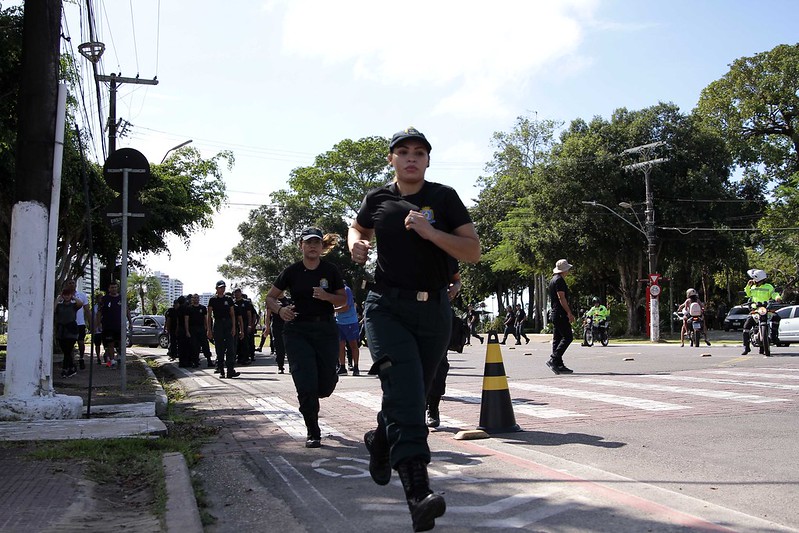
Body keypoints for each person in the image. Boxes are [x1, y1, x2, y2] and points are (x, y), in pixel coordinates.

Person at [349, 126, 480, 532]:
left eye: (419, 152)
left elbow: (472, 252)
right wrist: (358, 242)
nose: (411, 158)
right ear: (391, 158)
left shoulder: (444, 197)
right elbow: (360, 226)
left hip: (435, 310)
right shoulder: (378, 197)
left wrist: (430, 232)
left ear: (427, 160)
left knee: (413, 393)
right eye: (402, 151)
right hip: (386, 306)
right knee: (407, 395)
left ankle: (381, 439)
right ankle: (418, 494)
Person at [265, 227, 346, 449]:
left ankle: (331, 377)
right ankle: (313, 431)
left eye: (316, 242)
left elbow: (343, 302)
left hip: (325, 330)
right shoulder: (291, 271)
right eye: (308, 242)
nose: (312, 246)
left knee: (324, 387)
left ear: (322, 247)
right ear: (301, 245)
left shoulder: (331, 270)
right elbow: (270, 297)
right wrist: (281, 311)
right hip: (297, 331)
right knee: (305, 383)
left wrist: (327, 296)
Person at [426, 270, 462, 429]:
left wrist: (455, 288)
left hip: (439, 314)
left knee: (440, 367)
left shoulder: (444, 249)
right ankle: (417, 409)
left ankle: (432, 408)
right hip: (410, 314)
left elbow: (456, 280)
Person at [741, 269, 782, 355]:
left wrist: (778, 298)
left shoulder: (768, 286)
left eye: (754, 278)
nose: (753, 280)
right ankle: (746, 347)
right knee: (746, 326)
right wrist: (748, 286)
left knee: (776, 317)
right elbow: (747, 294)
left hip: (765, 309)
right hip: (755, 310)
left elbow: (773, 294)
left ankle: (774, 337)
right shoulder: (753, 287)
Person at [207, 280, 240, 379]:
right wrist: (209, 329)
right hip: (218, 324)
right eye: (220, 287)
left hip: (228, 324)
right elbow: (209, 316)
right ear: (216, 288)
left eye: (224, 287)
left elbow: (233, 314)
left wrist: (234, 327)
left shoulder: (228, 299)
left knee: (230, 348)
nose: (222, 289)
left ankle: (230, 371)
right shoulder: (212, 300)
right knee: (219, 349)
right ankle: (221, 370)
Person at [547, 259, 576, 374]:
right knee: (568, 337)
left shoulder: (553, 280)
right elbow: (561, 298)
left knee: (557, 339)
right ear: (564, 270)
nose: (568, 271)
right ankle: (554, 359)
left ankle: (558, 364)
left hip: (555, 312)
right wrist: (569, 312)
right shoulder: (559, 281)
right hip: (560, 313)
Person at [96, 280, 132, 368]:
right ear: (109, 289)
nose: (114, 289)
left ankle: (119, 356)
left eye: (115, 287)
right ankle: (111, 361)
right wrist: (98, 324)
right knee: (110, 344)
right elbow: (99, 313)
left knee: (121, 342)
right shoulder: (104, 299)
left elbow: (127, 310)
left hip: (120, 325)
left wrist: (130, 322)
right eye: (112, 287)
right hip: (108, 325)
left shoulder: (121, 298)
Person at [54, 284, 83, 377]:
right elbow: (53, 310)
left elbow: (80, 303)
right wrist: (58, 299)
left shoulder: (73, 305)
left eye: (68, 295)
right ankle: (72, 367)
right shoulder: (59, 306)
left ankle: (64, 369)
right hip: (61, 330)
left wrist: (73, 297)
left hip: (71, 330)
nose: (66, 296)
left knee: (68, 349)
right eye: (65, 294)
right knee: (65, 351)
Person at [335, 284, 361, 376]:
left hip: (350, 322)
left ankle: (356, 367)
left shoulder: (346, 290)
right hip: (339, 322)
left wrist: (333, 310)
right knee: (340, 345)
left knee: (353, 344)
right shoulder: (333, 291)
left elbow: (346, 307)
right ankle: (342, 367)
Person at [64, 278, 90, 370]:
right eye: (69, 283)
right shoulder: (65, 296)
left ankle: (81, 358)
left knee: (81, 342)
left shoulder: (82, 295)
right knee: (69, 344)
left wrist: (90, 323)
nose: (71, 284)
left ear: (75, 284)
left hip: (80, 323)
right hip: (69, 323)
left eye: (73, 283)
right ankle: (71, 361)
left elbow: (87, 310)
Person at [186, 294, 213, 368]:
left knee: (205, 345)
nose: (196, 299)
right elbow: (186, 320)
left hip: (201, 329)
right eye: (194, 298)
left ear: (199, 299)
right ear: (192, 299)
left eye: (197, 298)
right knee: (194, 346)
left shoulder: (203, 308)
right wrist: (187, 331)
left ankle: (209, 360)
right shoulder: (189, 308)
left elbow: (206, 319)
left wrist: (208, 329)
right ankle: (195, 362)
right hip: (192, 329)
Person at [233, 288, 252, 365]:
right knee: (236, 341)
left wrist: (250, 325)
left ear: (241, 293)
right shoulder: (233, 303)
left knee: (244, 341)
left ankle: (245, 358)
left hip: (244, 323)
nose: (237, 294)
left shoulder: (246, 302)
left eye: (238, 292)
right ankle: (238, 357)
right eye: (235, 293)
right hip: (235, 323)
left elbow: (249, 314)